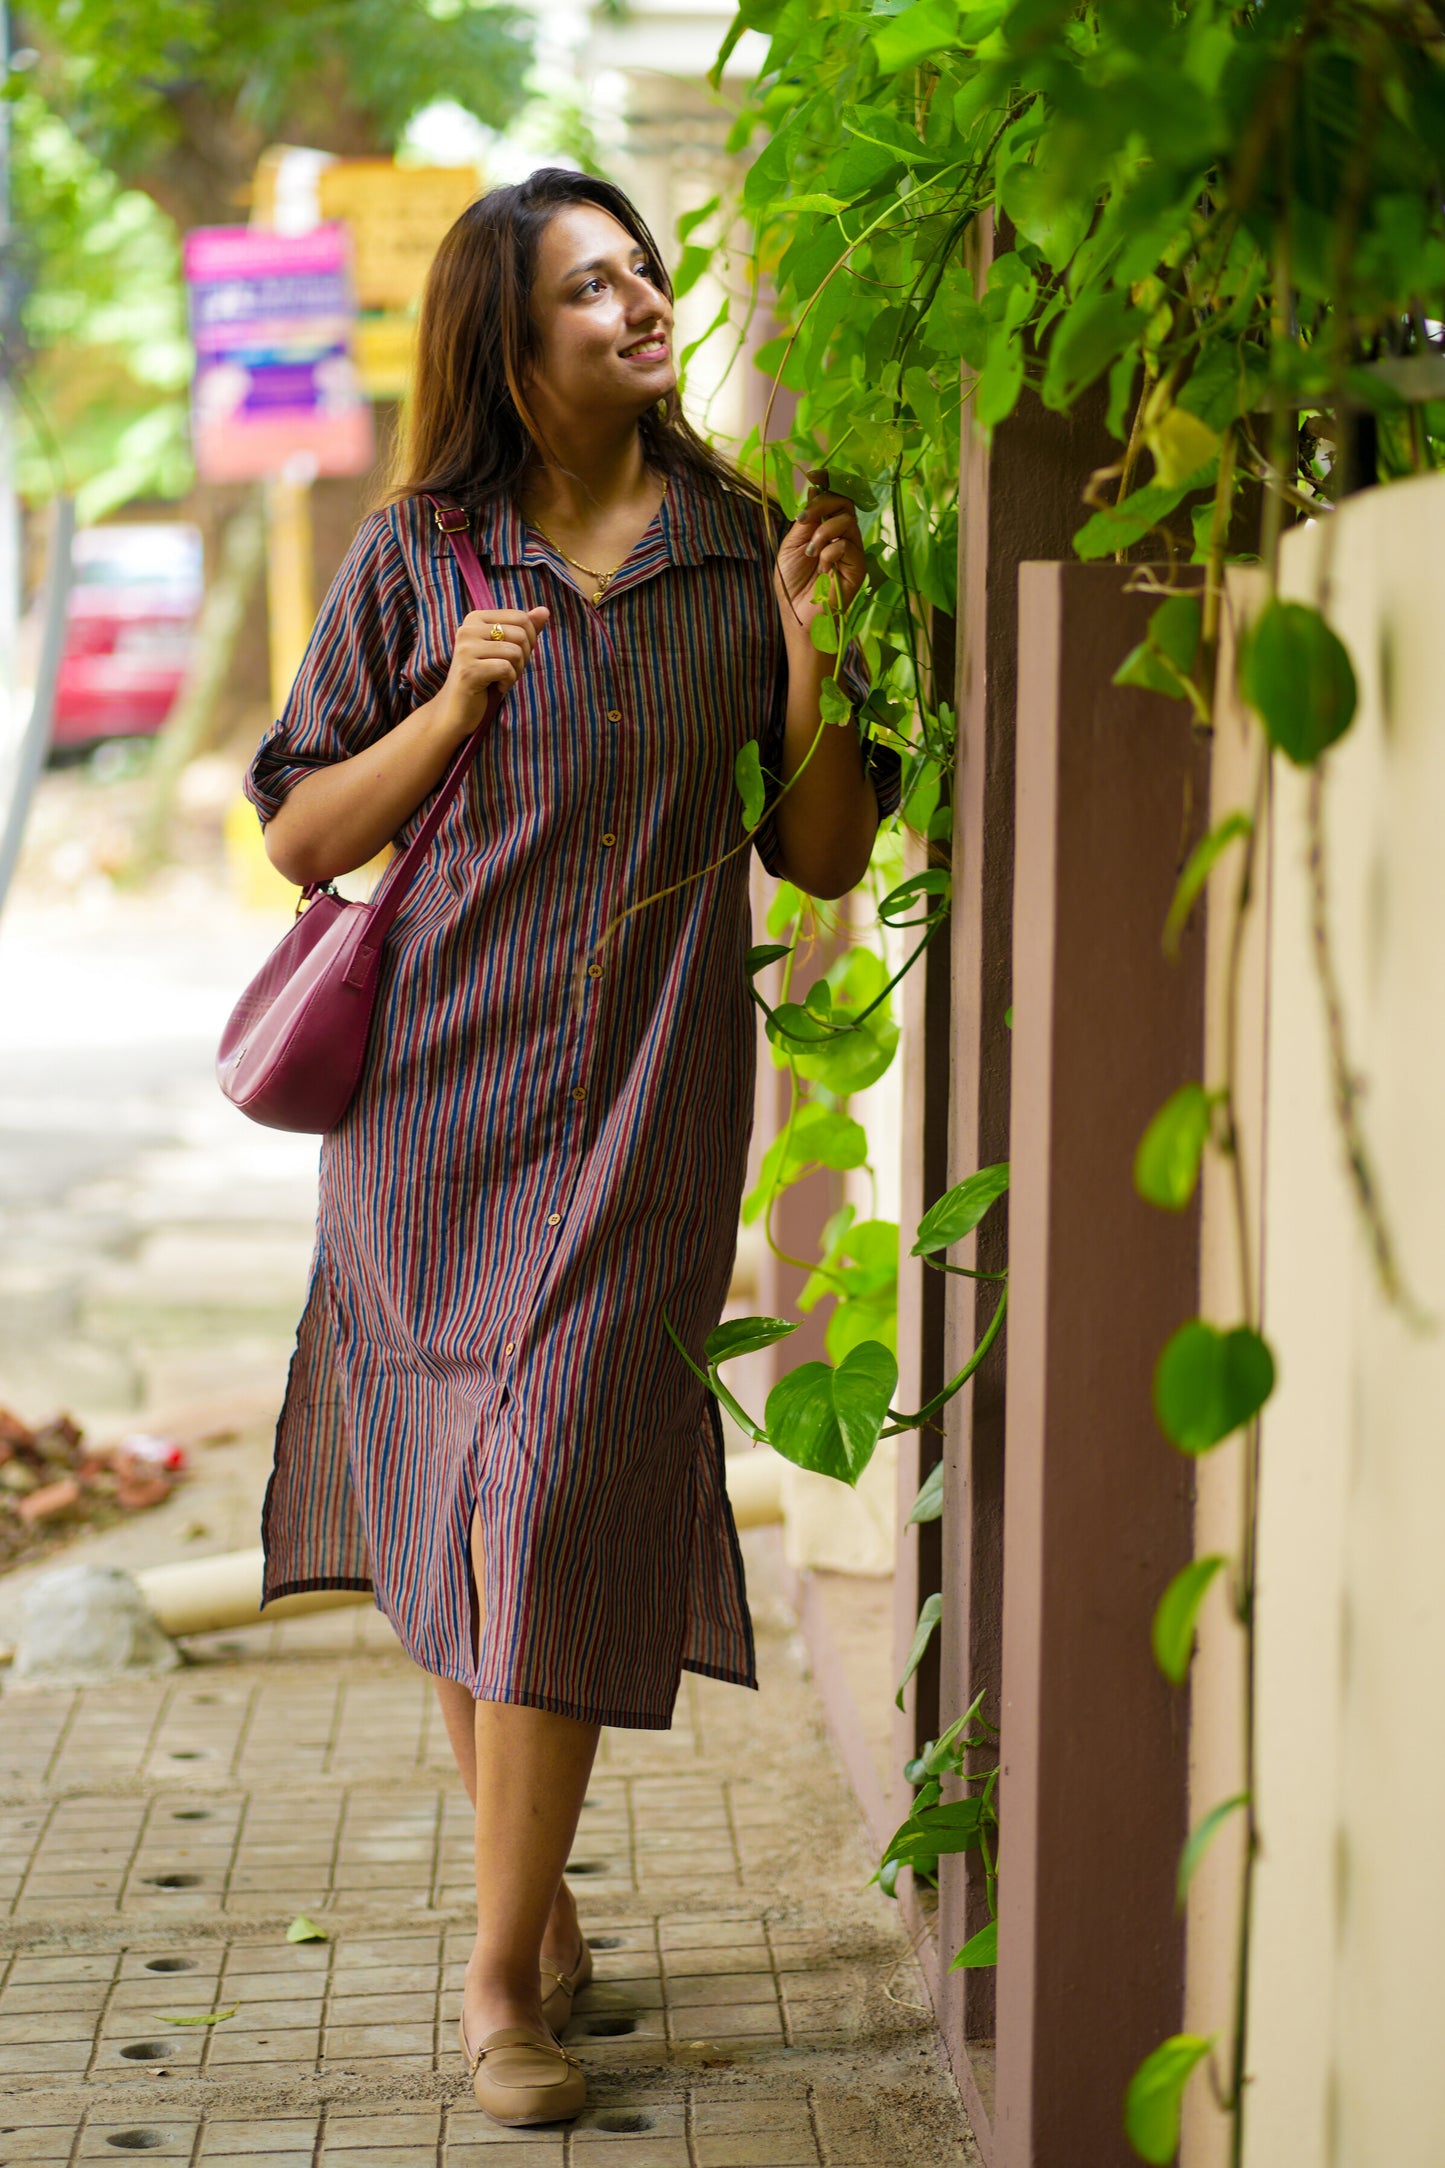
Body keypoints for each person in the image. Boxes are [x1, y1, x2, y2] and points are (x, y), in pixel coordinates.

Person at [245, 167, 899, 2127]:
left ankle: (497, 1979)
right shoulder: (420, 559)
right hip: (430, 1111)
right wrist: (446, 707)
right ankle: (541, 1916)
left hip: (647, 1105)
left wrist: (801, 654)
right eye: (587, 286)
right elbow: (299, 835)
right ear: (512, 353)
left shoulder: (741, 548)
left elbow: (826, 852)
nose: (638, 301)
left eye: (642, 270)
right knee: (460, 1493)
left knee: (539, 1486)